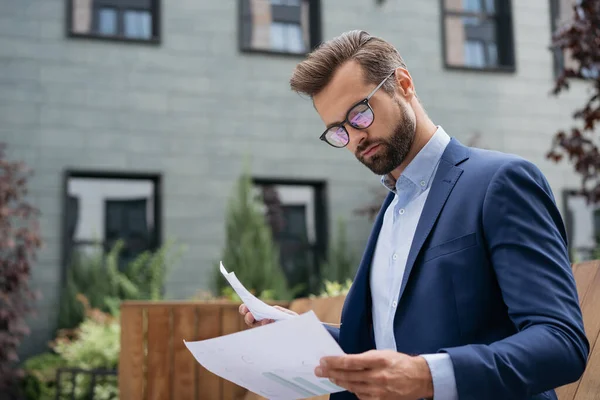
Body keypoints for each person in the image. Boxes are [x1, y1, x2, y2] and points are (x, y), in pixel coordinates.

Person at [239, 30, 589, 400]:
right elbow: (387, 346)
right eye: (338, 131)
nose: (355, 137)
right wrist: (305, 335)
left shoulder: (500, 183)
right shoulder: (390, 212)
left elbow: (560, 342)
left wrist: (428, 376)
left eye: (359, 113)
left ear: (403, 84)